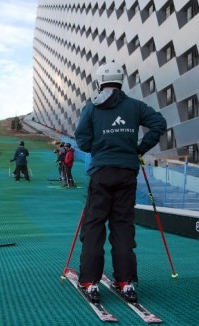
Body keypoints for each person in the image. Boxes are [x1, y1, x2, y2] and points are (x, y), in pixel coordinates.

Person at [74, 61, 167, 304]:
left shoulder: (92, 108)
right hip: (127, 173)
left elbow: (82, 141)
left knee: (94, 225)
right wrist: (139, 148)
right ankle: (125, 282)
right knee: (123, 224)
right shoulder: (134, 106)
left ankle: (89, 281)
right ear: (120, 81)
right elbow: (159, 123)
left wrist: (100, 146)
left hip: (102, 172)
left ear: (100, 82)